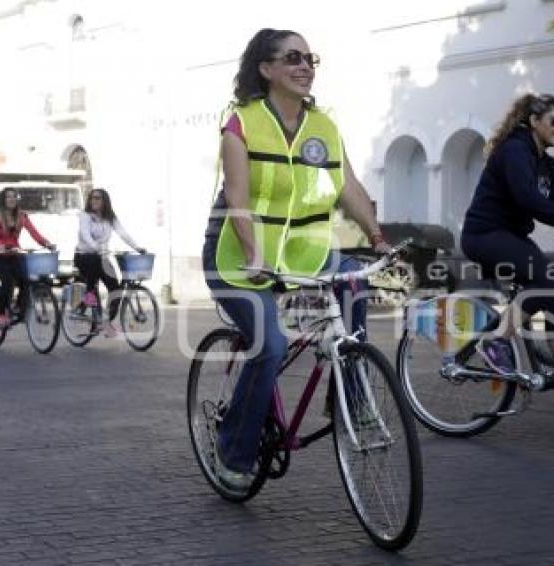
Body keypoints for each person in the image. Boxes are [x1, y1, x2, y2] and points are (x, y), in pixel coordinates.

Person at [202, 28, 389, 490]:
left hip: (305, 255)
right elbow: (238, 196)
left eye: (310, 58)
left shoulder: (323, 126)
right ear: (266, 69)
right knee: (271, 347)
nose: (305, 66)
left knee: (353, 282)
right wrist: (253, 253)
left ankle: (351, 398)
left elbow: (349, 186)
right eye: (292, 58)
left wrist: (377, 238)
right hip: (238, 259)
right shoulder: (240, 124)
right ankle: (232, 450)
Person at [460, 93, 554, 395]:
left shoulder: (545, 164)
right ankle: (495, 340)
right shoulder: (515, 150)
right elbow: (527, 198)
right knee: (546, 280)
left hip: (510, 237)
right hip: (484, 235)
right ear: (534, 121)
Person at [75, 188, 146, 338]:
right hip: (84, 256)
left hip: (101, 258)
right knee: (94, 261)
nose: (94, 200)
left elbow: (122, 232)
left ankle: (105, 322)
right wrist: (96, 247)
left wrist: (137, 247)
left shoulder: (110, 217)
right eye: (92, 198)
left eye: (98, 198)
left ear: (105, 201)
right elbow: (85, 234)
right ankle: (89, 295)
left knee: (115, 289)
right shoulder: (85, 216)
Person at [0, 188, 56, 328]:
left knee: (26, 279)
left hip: (14, 255)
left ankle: (18, 307)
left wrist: (47, 243)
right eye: (8, 197)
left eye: (14, 197)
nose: (11, 199)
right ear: (2, 200)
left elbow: (34, 233)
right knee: (7, 280)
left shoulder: (21, 216)